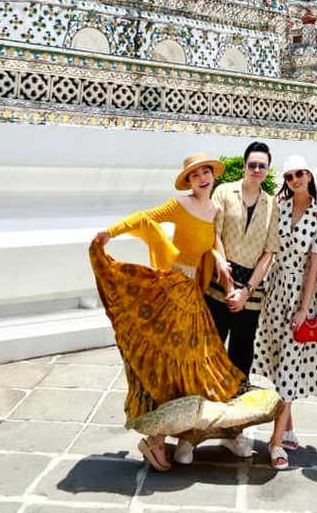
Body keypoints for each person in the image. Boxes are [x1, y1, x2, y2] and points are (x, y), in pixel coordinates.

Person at [90, 153, 244, 472]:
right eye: (195, 175)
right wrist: (111, 232)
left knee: (189, 362)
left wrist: (217, 258)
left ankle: (173, 434)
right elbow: (145, 219)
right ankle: (155, 439)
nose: (202, 178)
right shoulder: (179, 205)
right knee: (161, 359)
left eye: (206, 172)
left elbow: (209, 243)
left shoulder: (214, 209)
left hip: (191, 295)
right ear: (188, 181)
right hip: (171, 287)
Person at [201, 141, 279, 458]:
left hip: (251, 292)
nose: (256, 170)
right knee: (210, 354)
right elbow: (214, 234)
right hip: (219, 282)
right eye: (252, 165)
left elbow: (269, 253)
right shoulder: (224, 193)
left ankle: (234, 430)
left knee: (241, 360)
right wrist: (225, 272)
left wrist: (246, 290)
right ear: (244, 166)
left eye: (262, 166)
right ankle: (195, 431)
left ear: (267, 169)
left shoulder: (272, 205)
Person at [252, 155, 317, 471]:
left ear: (309, 176)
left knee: (290, 366)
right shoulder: (279, 209)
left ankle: (274, 443)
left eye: (300, 174)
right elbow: (268, 252)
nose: (295, 180)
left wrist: (303, 307)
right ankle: (289, 426)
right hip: (275, 290)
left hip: (302, 294)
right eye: (289, 176)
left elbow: (315, 264)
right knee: (277, 359)